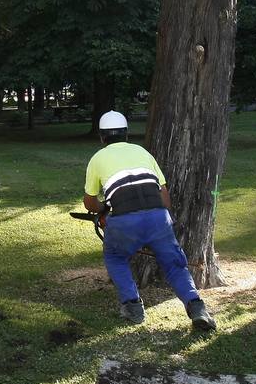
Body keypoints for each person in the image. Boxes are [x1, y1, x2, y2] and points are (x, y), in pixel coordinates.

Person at [82, 110, 216, 331]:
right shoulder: (143, 152)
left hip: (124, 220)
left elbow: (90, 204)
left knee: (115, 257)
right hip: (158, 216)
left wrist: (104, 210)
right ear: (126, 134)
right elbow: (164, 195)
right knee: (174, 265)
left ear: (102, 137)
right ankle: (197, 308)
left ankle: (133, 307)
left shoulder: (98, 158)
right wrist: (158, 224)